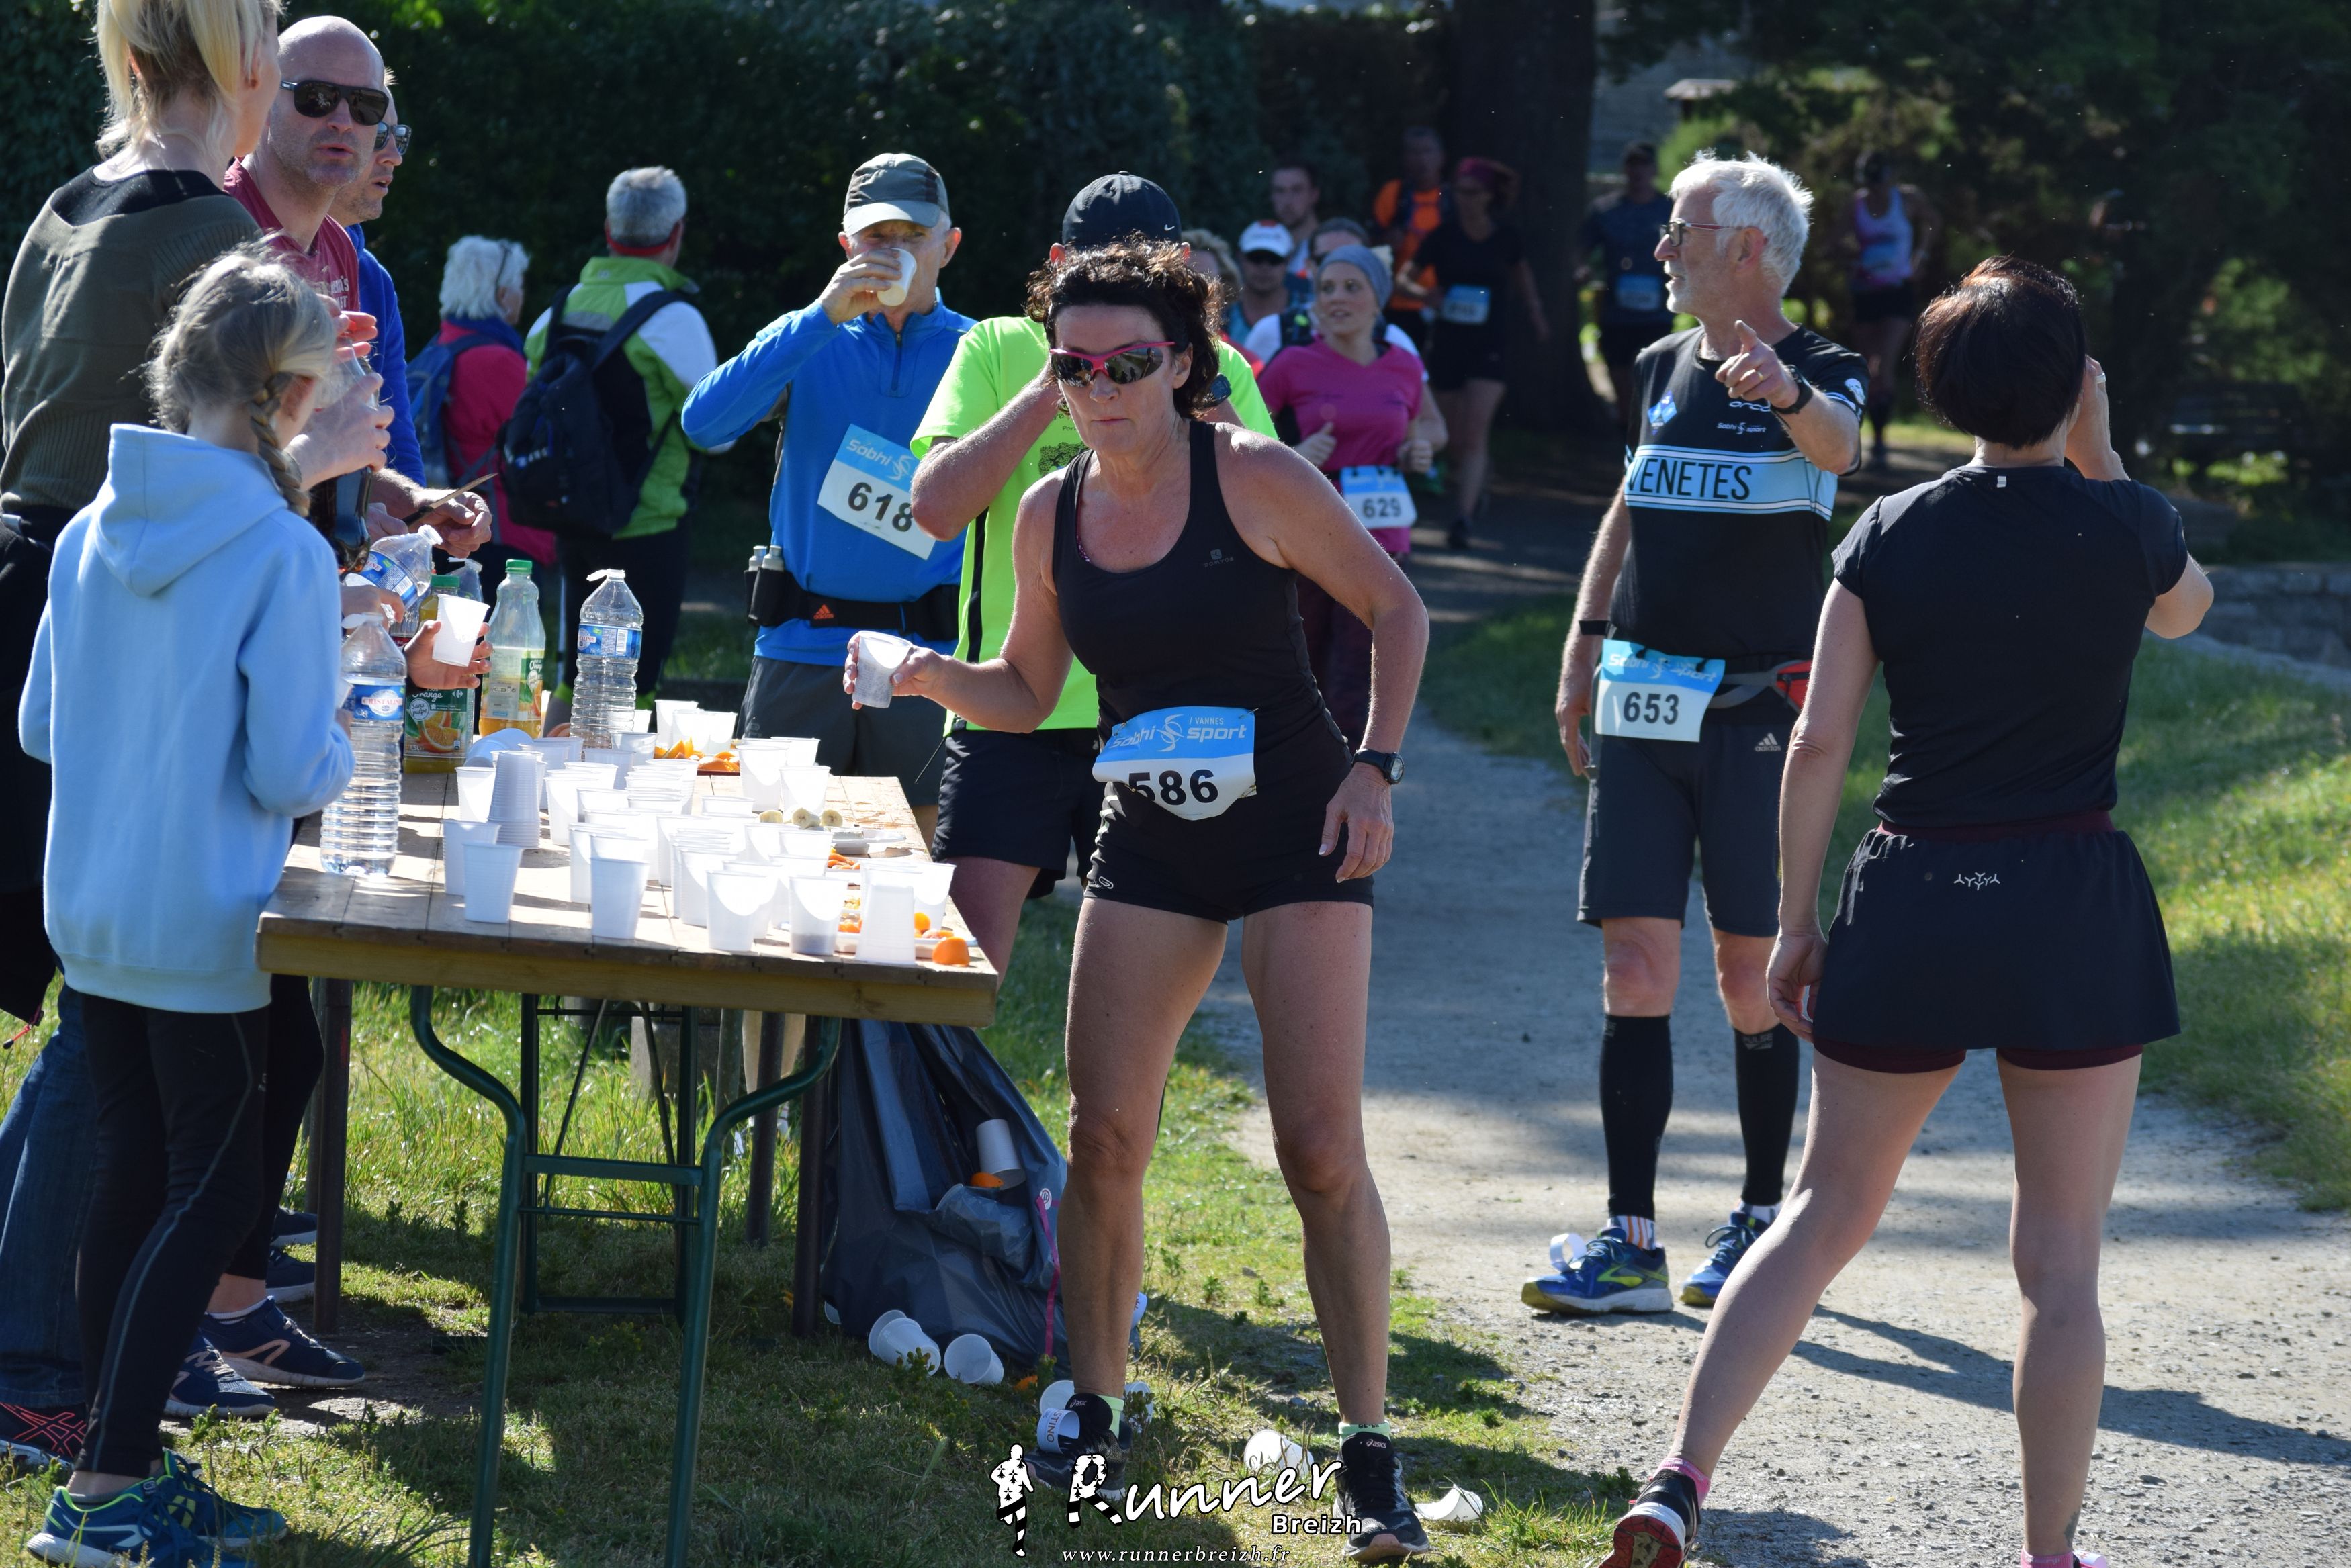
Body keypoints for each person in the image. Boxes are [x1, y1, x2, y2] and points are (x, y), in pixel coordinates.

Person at [1592, 257, 2212, 1568]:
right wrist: (2101, 454)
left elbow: (1819, 744)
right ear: (2076, 383)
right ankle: (2049, 1554)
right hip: (2070, 904)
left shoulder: (1887, 533)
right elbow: (2185, 611)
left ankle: (1678, 1478)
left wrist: (1796, 923)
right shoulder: (2130, 521)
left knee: (1820, 1211)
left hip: (1916, 889)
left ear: (1939, 387)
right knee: (2060, 1264)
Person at [856, 239, 1434, 1561]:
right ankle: (1094, 1411)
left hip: (1295, 832)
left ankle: (1367, 1449)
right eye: (1074, 368)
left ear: (1182, 365)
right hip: (1152, 840)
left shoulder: (1254, 477)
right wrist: (925, 674)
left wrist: (1377, 770)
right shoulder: (1048, 512)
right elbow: (1023, 689)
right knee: (1106, 1134)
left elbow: (1395, 611)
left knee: (1319, 1149)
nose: (1099, 390)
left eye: (1128, 365)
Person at [0, 0, 393, 1472]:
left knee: (94, 1044)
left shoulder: (61, 207)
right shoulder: (214, 242)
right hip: (153, 637)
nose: (332, 118)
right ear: (247, 66)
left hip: (70, 580)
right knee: (140, 1102)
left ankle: (72, 1368)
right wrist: (309, 477)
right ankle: (60, 1378)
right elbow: (282, 752)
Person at [19, 244, 355, 1568]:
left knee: (132, 1176)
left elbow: (43, 727)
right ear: (289, 395)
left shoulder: (90, 527)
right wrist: (345, 737)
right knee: (207, 1195)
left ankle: (113, 1469)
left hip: (95, 902)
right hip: (206, 918)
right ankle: (108, 1487)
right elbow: (287, 769)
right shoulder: (281, 549)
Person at [1529, 152, 1867, 1322]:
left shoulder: (1824, 368)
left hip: (1759, 713)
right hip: (1641, 704)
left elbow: (1841, 448)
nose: (1659, 248)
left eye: (1680, 231)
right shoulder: (1657, 363)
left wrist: (1784, 392)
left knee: (1747, 974)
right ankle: (1629, 1240)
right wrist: (1582, 641)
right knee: (1633, 965)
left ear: (1748, 248)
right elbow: (1631, 501)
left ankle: (1761, 1219)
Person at [906, 173, 1277, 976]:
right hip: (1009, 706)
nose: (1115, 293)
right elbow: (933, 509)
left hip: (1159, 715)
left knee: (1137, 990)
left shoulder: (1214, 369)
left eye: (1140, 275)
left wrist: (1191, 380)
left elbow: (1278, 531)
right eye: (1094, 271)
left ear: (1181, 274)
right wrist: (1055, 381)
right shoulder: (997, 346)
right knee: (954, 972)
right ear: (1055, 267)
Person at [682, 154, 971, 845]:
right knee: (778, 854)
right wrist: (819, 317)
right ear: (846, 246)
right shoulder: (808, 335)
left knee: (913, 868)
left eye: (913, 235)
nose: (894, 252)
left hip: (928, 663)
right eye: (876, 236)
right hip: (801, 649)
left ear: (949, 246)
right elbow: (704, 425)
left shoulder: (980, 350)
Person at [223, 15, 490, 547]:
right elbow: (202, 460)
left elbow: (332, 446)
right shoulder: (220, 226)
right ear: (265, 96)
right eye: (317, 98)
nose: (344, 121)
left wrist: (412, 502)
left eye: (366, 107)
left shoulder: (340, 247)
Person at [527, 165, 728, 712]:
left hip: (573, 517)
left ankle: (561, 758)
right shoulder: (675, 319)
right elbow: (719, 435)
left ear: (609, 229)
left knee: (574, 675)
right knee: (634, 684)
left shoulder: (555, 313)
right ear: (676, 233)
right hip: (649, 523)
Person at [1255, 245, 1446, 747]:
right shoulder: (1293, 362)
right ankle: (1303, 772)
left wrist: (1419, 448)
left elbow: (1433, 426)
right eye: (1326, 289)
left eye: (1351, 287)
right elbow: (1240, 437)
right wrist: (1294, 453)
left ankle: (1353, 776)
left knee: (1360, 671)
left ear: (1379, 299)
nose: (1336, 298)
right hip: (1309, 531)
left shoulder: (1404, 365)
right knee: (1303, 663)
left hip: (1382, 533)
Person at [1411, 158, 1549, 549]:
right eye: (1459, 191)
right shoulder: (1443, 236)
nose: (1464, 199)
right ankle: (1477, 485)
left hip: (1490, 345)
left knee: (1474, 434)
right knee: (1453, 438)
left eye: (1472, 192)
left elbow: (1524, 280)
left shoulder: (1506, 238)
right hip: (1448, 344)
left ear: (1489, 196)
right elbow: (1405, 279)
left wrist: (1537, 315)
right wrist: (1425, 295)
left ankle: (1463, 519)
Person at [424, 236, 547, 590]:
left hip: (444, 524)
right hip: (498, 534)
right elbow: (540, 438)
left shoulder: (441, 346)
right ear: (502, 294)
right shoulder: (499, 362)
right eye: (518, 286)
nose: (521, 295)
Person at [335, 95, 423, 483]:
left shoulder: (373, 277)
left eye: (398, 137)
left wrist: (421, 506)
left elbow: (396, 438)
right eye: (377, 135)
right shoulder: (249, 243)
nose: (394, 157)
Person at [1846, 151, 1942, 469]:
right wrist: (1851, 258)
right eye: (1870, 185)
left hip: (1898, 291)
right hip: (1865, 292)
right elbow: (1832, 241)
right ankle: (1857, 436)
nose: (1875, 190)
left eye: (1879, 183)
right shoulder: (1855, 205)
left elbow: (1934, 222)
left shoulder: (1908, 199)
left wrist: (1921, 257)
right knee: (1864, 368)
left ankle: (1880, 441)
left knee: (1884, 366)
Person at [1579, 142, 1677, 442]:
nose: (1638, 171)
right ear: (1625, 169)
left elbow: (1687, 250)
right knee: (1620, 377)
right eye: (1632, 164)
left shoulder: (1670, 210)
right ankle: (1626, 434)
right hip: (1616, 312)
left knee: (1654, 377)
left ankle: (1655, 436)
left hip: (1658, 313)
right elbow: (1581, 250)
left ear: (1654, 169)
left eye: (1644, 164)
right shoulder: (1605, 210)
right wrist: (1581, 270)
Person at [1241, 219, 1426, 365]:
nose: (1338, 268)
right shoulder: (1273, 332)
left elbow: (1422, 404)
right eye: (1326, 259)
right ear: (1309, 266)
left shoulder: (1393, 340)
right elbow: (1245, 401)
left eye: (1351, 258)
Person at [1371, 126, 1450, 348]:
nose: (1421, 160)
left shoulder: (1452, 199)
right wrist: (1388, 242)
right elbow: (1372, 245)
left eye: (1427, 151)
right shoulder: (1393, 194)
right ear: (1404, 158)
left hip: (1444, 303)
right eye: (1414, 152)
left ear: (1442, 157)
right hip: (1399, 305)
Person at [1231, 220, 1308, 342]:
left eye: (1274, 259)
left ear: (1288, 260)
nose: (1265, 267)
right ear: (1240, 257)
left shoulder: (1307, 311)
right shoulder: (1222, 313)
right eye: (1256, 258)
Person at [1268, 156, 1321, 285]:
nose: (1287, 201)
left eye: (1297, 190)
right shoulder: (1261, 252)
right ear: (1272, 196)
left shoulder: (1327, 248)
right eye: (1280, 191)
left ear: (1314, 195)